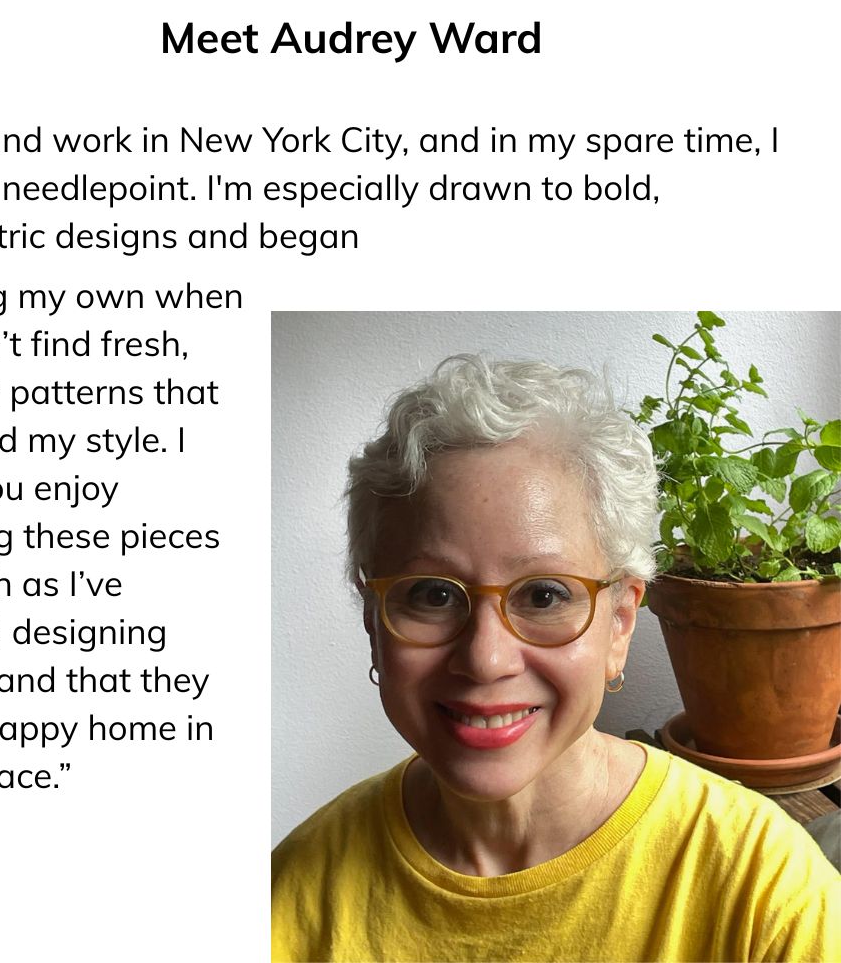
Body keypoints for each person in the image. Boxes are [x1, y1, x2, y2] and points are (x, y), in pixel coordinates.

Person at [271, 356, 839, 962]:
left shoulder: (763, 887)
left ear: (620, 623)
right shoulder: (293, 898)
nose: (486, 659)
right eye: (433, 594)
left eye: (545, 595)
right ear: (371, 619)